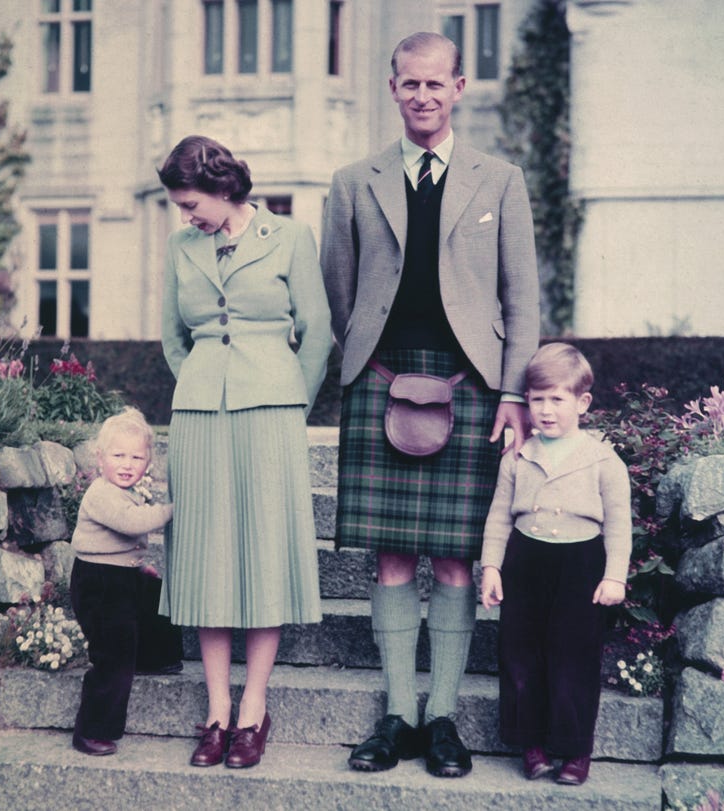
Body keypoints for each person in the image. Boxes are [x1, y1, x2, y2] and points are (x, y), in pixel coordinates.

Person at [320, 32, 540, 778]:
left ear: (459, 87)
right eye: (409, 84)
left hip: (471, 384)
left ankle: (442, 717)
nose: (422, 96)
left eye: (435, 84)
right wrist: (363, 366)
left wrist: (512, 391)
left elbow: (523, 295)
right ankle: (395, 716)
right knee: (390, 556)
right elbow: (339, 288)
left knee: (453, 558)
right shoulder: (354, 180)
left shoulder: (501, 179)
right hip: (382, 376)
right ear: (392, 88)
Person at [157, 135, 332, 769]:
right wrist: (202, 384)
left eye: (190, 203)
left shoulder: (289, 238)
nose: (186, 216)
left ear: (225, 188)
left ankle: (254, 709)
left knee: (261, 552)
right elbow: (174, 338)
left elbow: (318, 335)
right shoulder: (180, 248)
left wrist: (290, 404)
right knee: (206, 556)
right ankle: (216, 712)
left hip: (272, 413)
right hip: (201, 414)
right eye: (179, 206)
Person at [480, 342, 632, 786]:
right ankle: (532, 746)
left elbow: (620, 523)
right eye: (536, 399)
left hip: (580, 564)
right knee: (520, 653)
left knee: (574, 657)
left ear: (582, 403)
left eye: (557, 399)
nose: (545, 411)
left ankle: (575, 750)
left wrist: (615, 575)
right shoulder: (518, 457)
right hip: (526, 561)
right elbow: (498, 516)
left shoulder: (603, 460)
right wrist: (491, 567)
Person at [70, 407, 184, 757]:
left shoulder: (127, 490)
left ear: (148, 462)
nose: (127, 464)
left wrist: (137, 566)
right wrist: (175, 509)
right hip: (99, 584)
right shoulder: (101, 492)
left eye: (137, 457)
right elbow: (131, 522)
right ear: (100, 458)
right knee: (113, 654)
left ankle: (157, 656)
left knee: (156, 599)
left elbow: (123, 544)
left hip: (121, 575)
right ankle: (92, 729)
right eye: (118, 455)